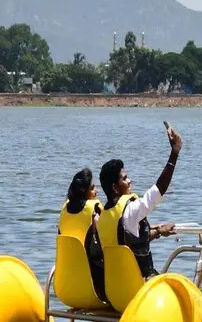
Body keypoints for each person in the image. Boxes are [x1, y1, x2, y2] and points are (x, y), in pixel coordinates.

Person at [97, 125, 183, 279]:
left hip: (114, 290)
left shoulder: (102, 217)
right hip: (137, 287)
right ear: (115, 188)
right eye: (124, 178)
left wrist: (158, 231)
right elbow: (158, 190)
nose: (130, 181)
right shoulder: (130, 211)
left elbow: (129, 242)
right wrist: (174, 153)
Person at [57, 167, 105, 302]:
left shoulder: (64, 210)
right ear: (85, 192)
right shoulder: (94, 210)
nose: (97, 191)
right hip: (92, 284)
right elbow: (108, 235)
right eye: (93, 188)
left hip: (66, 284)